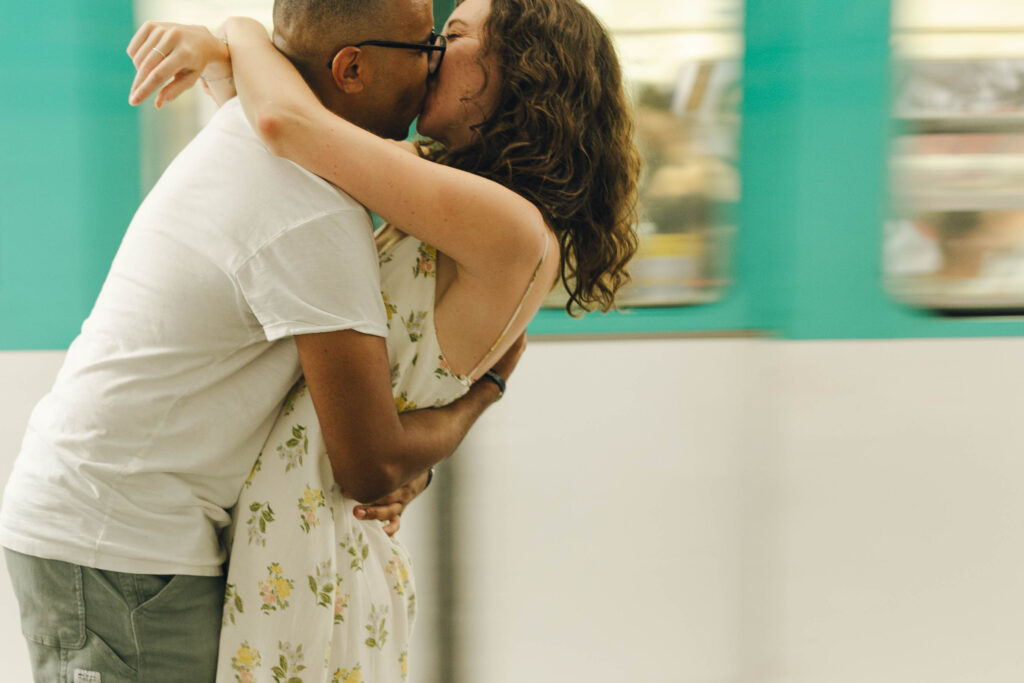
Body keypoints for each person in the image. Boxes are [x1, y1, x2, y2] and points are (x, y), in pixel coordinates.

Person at [0, 1, 521, 681]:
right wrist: (480, 397)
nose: (433, 66)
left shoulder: (271, 141)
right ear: (353, 67)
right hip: (118, 540)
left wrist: (230, 39)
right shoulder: (312, 212)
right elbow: (370, 464)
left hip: (132, 524)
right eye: (424, 47)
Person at [127, 0, 642, 679]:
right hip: (297, 535)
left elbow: (286, 122)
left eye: (453, 36)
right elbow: (273, 137)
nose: (431, 47)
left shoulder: (508, 226)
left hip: (314, 554)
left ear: (520, 73)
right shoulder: (444, 183)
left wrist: (241, 31)